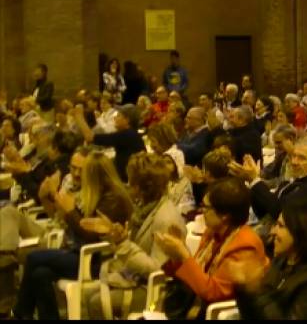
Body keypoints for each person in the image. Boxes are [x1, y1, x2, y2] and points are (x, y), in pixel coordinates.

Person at [11, 151, 134, 320]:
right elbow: (80, 224)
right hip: (78, 252)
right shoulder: (95, 192)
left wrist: (70, 211)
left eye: (83, 171)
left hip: (98, 261)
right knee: (40, 274)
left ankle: (19, 313)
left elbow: (91, 235)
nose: (78, 175)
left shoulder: (113, 198)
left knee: (33, 258)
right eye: (74, 169)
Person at [85, 152, 186, 319]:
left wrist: (124, 243)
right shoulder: (143, 209)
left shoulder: (165, 219)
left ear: (140, 187)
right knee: (88, 295)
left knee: (96, 302)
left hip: (155, 292)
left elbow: (157, 270)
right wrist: (114, 235)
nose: (127, 183)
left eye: (130, 180)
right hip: (135, 278)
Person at [155, 177, 267, 319]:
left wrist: (184, 255)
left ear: (224, 215)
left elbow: (213, 292)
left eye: (206, 207)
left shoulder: (245, 244)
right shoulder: (212, 233)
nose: (202, 211)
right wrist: (175, 256)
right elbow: (194, 276)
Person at [231, 199, 307, 320]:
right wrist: (245, 288)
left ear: (301, 232)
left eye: (280, 226)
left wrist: (253, 290)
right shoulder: (282, 261)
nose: (273, 231)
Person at [229, 137, 307, 222]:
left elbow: (280, 212)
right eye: (293, 156)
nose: (294, 162)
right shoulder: (287, 183)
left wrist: (255, 180)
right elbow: (263, 211)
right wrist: (250, 181)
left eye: (302, 158)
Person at [72, 103, 145, 182]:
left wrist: (79, 116)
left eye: (118, 115)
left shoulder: (127, 135)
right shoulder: (130, 134)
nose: (115, 118)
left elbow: (89, 137)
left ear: (127, 120)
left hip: (129, 182)